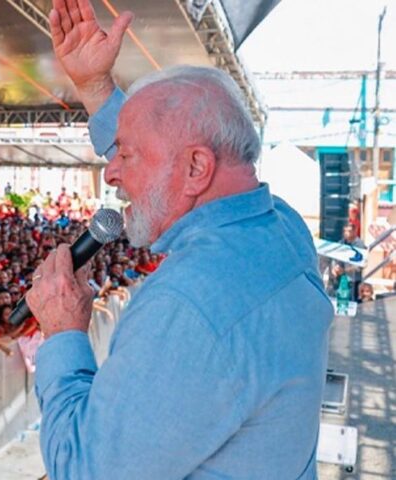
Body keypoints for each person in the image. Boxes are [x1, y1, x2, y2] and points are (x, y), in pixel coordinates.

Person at [24, 1, 333, 479]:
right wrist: (96, 89)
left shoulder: (189, 306)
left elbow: (85, 468)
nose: (110, 171)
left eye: (125, 155)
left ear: (196, 169)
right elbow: (165, 152)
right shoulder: (281, 227)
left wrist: (63, 332)